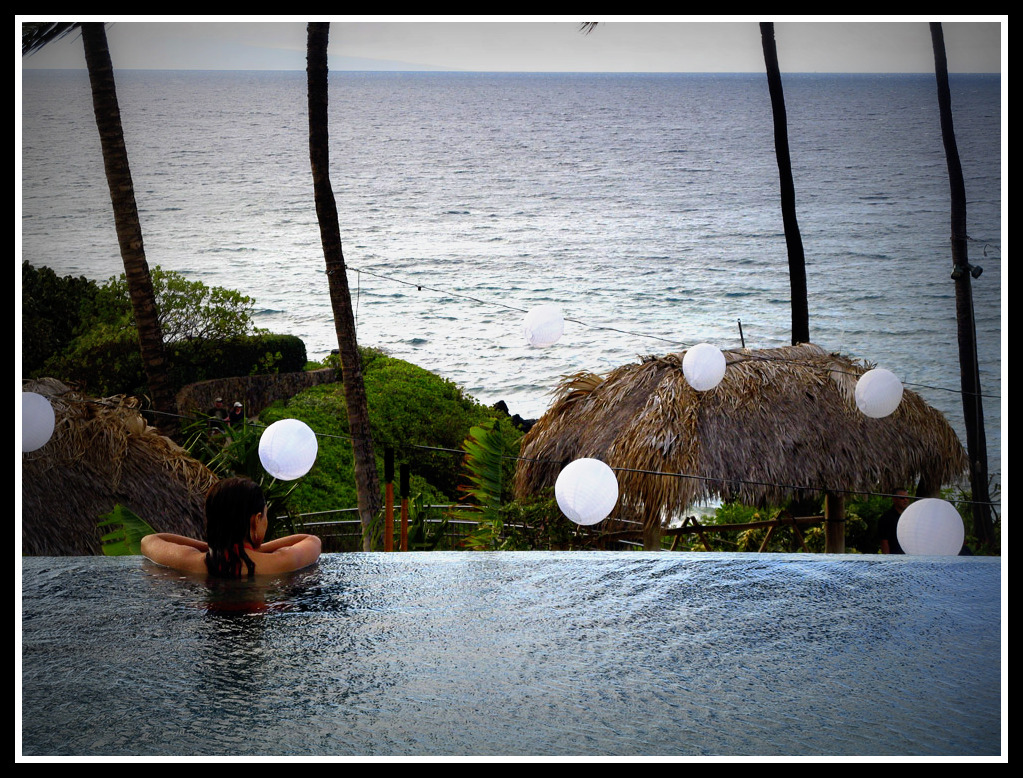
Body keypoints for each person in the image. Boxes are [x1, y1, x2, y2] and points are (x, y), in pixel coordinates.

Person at [141, 477, 321, 577]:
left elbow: (150, 540)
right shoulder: (281, 562)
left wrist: (219, 547)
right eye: (265, 516)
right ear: (256, 520)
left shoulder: (190, 562)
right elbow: (311, 540)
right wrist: (256, 550)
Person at [878, 488, 910, 554]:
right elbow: (884, 542)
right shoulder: (886, 518)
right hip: (895, 557)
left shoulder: (910, 516)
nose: (905, 500)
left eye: (907, 498)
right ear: (894, 499)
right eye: (902, 498)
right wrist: (888, 561)